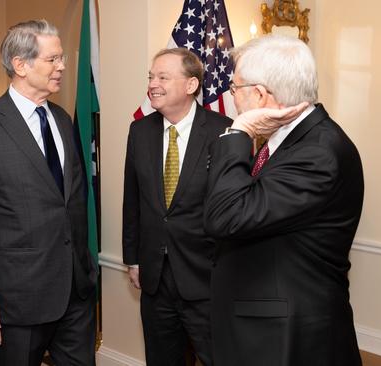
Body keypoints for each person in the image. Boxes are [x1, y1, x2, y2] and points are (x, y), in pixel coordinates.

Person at [203, 34, 364, 365]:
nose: (231, 98)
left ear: (260, 95)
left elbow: (226, 217)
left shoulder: (318, 152)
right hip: (263, 324)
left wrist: (238, 132)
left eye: (234, 89)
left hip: (288, 336)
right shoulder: (288, 139)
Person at [0, 19, 97, 366]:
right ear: (20, 64)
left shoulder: (62, 119)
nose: (62, 66)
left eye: (61, 58)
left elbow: (71, 202)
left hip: (75, 292)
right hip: (15, 300)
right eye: (52, 59)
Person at [122, 48, 231, 365]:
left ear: (191, 85)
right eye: (151, 77)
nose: (153, 84)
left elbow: (233, 209)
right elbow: (133, 200)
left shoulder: (224, 131)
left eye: (163, 77)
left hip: (206, 277)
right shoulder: (140, 131)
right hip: (155, 279)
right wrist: (133, 258)